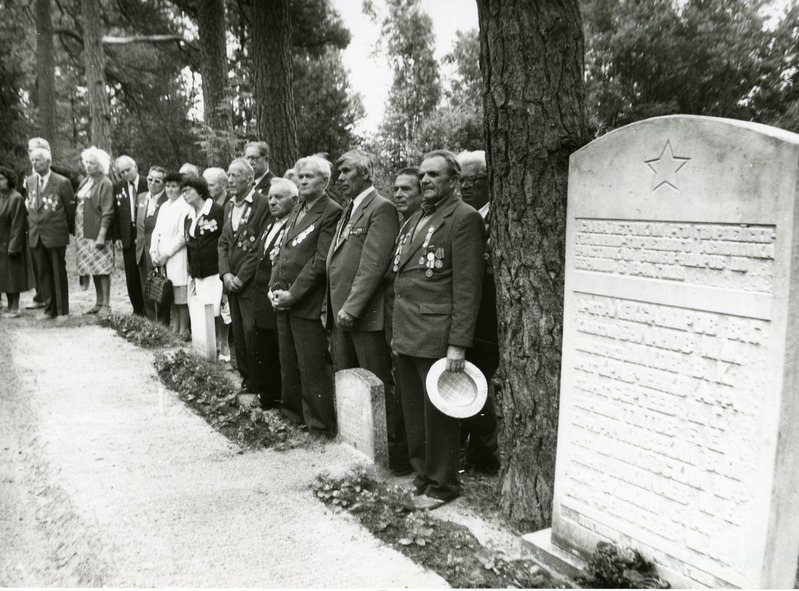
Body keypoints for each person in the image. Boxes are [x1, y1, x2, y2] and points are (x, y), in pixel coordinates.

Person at [390, 150, 485, 510]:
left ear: (454, 181)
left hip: (437, 336)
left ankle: (444, 485)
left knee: (439, 416)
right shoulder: (417, 217)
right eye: (423, 175)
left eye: (434, 175)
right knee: (414, 411)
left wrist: (458, 345)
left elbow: (467, 288)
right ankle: (424, 476)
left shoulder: (463, 219)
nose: (426, 180)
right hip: (409, 331)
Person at [326, 149, 405, 468]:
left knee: (376, 382)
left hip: (364, 316)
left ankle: (388, 449)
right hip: (342, 313)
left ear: (367, 174)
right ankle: (358, 443)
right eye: (338, 173)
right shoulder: (350, 209)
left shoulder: (380, 208)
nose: (340, 178)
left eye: (346, 172)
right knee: (348, 380)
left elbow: (373, 264)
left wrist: (352, 307)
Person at [269, 154, 341, 437]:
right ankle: (292, 415)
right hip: (283, 299)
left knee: (312, 367)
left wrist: (293, 294)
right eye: (300, 177)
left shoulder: (330, 210)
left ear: (325, 181)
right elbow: (284, 251)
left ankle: (320, 426)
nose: (303, 181)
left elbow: (319, 262)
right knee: (288, 362)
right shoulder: (298, 208)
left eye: (309, 176)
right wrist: (274, 287)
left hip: (307, 302)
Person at [457, 150, 500, 474]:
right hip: (464, 313)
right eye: (462, 181)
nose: (467, 187)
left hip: (488, 317)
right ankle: (467, 445)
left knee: (480, 379)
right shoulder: (464, 216)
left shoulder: (499, 218)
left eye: (475, 180)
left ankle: (483, 454)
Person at [218, 158, 271, 393]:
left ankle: (260, 383)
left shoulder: (262, 204)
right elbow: (223, 243)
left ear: (249, 180)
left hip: (250, 283)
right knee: (238, 333)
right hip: (232, 282)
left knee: (252, 333)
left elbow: (260, 245)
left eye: (235, 176)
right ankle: (247, 380)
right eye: (228, 175)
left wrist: (241, 277)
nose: (229, 180)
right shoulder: (229, 205)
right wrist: (226, 274)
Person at [251, 178, 296, 409]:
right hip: (261, 296)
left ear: (294, 200)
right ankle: (266, 396)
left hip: (278, 295)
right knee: (264, 349)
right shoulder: (270, 225)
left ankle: (278, 399)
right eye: (269, 197)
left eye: (279, 197)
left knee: (279, 352)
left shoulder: (293, 226)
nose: (272, 202)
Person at [26, 146, 76, 321]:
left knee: (58, 272)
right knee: (43, 272)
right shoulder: (30, 181)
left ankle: (62, 311)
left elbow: (71, 208)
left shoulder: (62, 182)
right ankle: (49, 309)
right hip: (36, 234)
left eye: (38, 160)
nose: (34, 163)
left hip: (55, 233)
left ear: (48, 161)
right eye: (32, 160)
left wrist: (67, 230)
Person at [183, 176, 225, 348]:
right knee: (202, 310)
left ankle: (224, 347)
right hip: (197, 271)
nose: (184, 195)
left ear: (200, 191)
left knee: (219, 310)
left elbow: (225, 239)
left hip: (215, 269)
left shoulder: (216, 210)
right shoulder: (188, 216)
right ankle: (208, 345)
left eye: (188, 191)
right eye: (183, 192)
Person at [150, 172, 192, 340]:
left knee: (181, 294)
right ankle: (174, 327)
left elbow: (182, 236)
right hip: (161, 257)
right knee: (170, 293)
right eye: (167, 186)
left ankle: (184, 329)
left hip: (177, 256)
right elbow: (156, 231)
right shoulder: (164, 206)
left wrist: (167, 254)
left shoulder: (185, 206)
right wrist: (153, 252)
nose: (170, 189)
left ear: (181, 188)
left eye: (174, 186)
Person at [74, 146, 115, 317]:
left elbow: (108, 211)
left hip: (98, 231)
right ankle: (98, 302)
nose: (88, 166)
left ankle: (106, 304)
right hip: (83, 232)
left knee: (102, 268)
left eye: (92, 163)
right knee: (93, 267)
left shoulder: (105, 183)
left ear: (100, 166)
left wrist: (101, 236)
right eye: (87, 163)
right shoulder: (86, 180)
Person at [112, 155, 147, 316]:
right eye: (122, 172)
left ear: (135, 168)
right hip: (127, 234)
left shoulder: (148, 183)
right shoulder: (118, 187)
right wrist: (117, 236)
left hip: (144, 233)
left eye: (128, 170)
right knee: (131, 274)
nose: (126, 174)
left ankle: (149, 308)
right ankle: (137, 309)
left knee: (145, 271)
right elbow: (115, 214)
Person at [136, 166, 170, 325]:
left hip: (157, 250)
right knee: (146, 287)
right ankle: (151, 322)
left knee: (160, 287)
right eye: (150, 179)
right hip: (142, 249)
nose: (152, 183)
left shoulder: (166, 201)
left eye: (157, 181)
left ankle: (162, 323)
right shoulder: (141, 197)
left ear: (164, 184)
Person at [0, 166, 33, 318]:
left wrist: (14, 245)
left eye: (1, 179)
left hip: (12, 243)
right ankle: (8, 306)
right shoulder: (1, 197)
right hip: (1, 244)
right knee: (4, 276)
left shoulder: (16, 198)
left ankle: (15, 307)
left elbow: (19, 225)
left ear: (10, 181)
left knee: (13, 276)